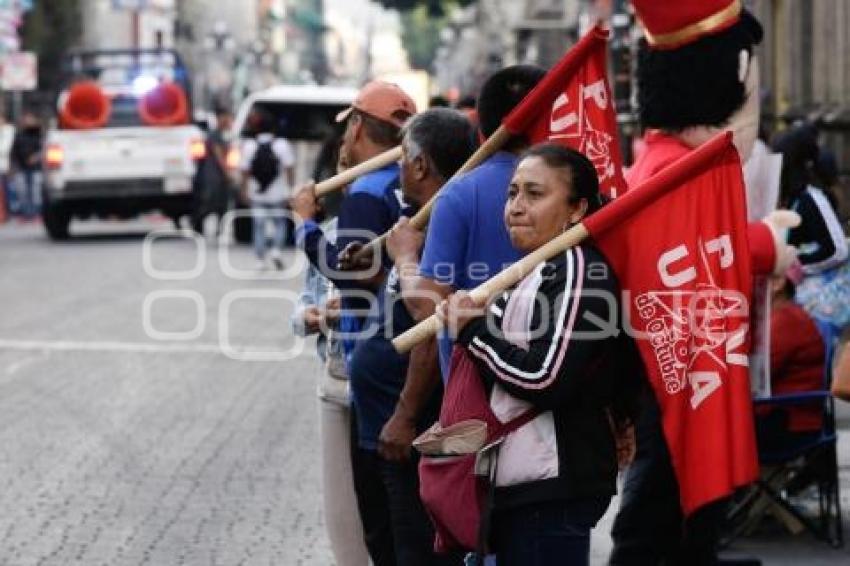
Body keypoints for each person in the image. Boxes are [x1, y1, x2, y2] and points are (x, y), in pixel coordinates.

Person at [438, 144, 641, 566]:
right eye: (512, 193)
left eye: (534, 194)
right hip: (523, 483)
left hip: (552, 488)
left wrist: (472, 331)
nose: (515, 206)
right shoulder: (538, 267)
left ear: (576, 209)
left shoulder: (578, 271)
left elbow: (545, 378)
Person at [338, 108, 476, 565]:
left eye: (404, 157)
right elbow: (399, 300)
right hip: (388, 413)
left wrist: (405, 415)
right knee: (391, 537)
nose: (397, 167)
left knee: (412, 543)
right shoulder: (418, 222)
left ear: (419, 165)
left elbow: (427, 322)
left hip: (407, 423)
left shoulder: (441, 223)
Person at [291, 80, 416, 566]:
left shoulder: (368, 190)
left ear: (359, 126)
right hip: (411, 357)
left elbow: (350, 271)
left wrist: (304, 225)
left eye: (349, 128)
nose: (344, 140)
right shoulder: (410, 180)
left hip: (373, 364)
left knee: (378, 515)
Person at [406, 65, 546, 382]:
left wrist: (404, 257)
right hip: (550, 385)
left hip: (477, 401)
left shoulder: (458, 196)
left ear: (480, 133)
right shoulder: (581, 191)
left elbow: (427, 308)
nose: (519, 206)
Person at [754, 266, 825, 452]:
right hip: (787, 417)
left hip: (788, 423)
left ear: (778, 283)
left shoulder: (786, 321)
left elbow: (754, 377)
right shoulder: (786, 316)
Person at [772, 124, 848, 275]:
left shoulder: (811, 199)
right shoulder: (791, 200)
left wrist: (794, 268)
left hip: (811, 295)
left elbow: (837, 251)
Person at [239, 109, 296, 269]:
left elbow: (244, 170)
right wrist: (290, 189)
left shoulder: (249, 146)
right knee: (280, 224)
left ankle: (260, 260)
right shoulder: (281, 145)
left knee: (259, 226)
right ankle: (276, 250)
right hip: (278, 193)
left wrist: (244, 190)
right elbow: (289, 168)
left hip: (257, 194)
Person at [193, 107, 234, 236]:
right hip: (213, 175)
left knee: (222, 203)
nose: (227, 120)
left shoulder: (226, 134)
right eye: (225, 117)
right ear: (218, 118)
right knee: (210, 202)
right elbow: (219, 155)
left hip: (219, 176)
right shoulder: (215, 134)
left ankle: (219, 228)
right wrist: (227, 172)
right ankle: (197, 223)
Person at [10, 111, 43, 220]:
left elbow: (44, 149)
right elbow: (14, 152)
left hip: (36, 168)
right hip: (22, 168)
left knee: (36, 192)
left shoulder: (38, 134)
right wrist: (13, 167)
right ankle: (26, 214)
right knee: (22, 192)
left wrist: (36, 157)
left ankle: (37, 214)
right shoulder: (19, 135)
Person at [0, 111, 16, 220]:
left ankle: (5, 214)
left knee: (4, 192)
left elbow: (4, 149)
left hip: (4, 167)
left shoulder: (8, 130)